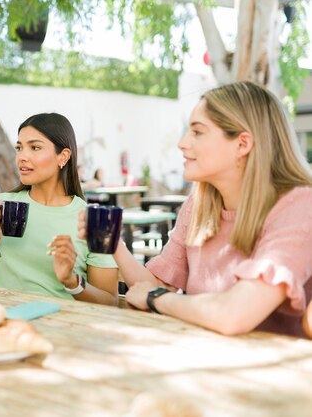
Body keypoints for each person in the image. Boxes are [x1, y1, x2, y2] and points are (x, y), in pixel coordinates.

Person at [78, 81, 312, 337]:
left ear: (242, 144)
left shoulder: (299, 206)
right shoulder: (199, 204)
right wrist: (113, 245)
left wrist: (158, 299)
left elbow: (234, 315)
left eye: (197, 132)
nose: (182, 143)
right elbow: (153, 284)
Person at [0, 113, 118, 305]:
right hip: (9, 323)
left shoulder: (95, 220)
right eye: (19, 148)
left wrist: (72, 282)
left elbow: (110, 302)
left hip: (66, 327)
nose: (22, 156)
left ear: (63, 156)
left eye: (35, 147)